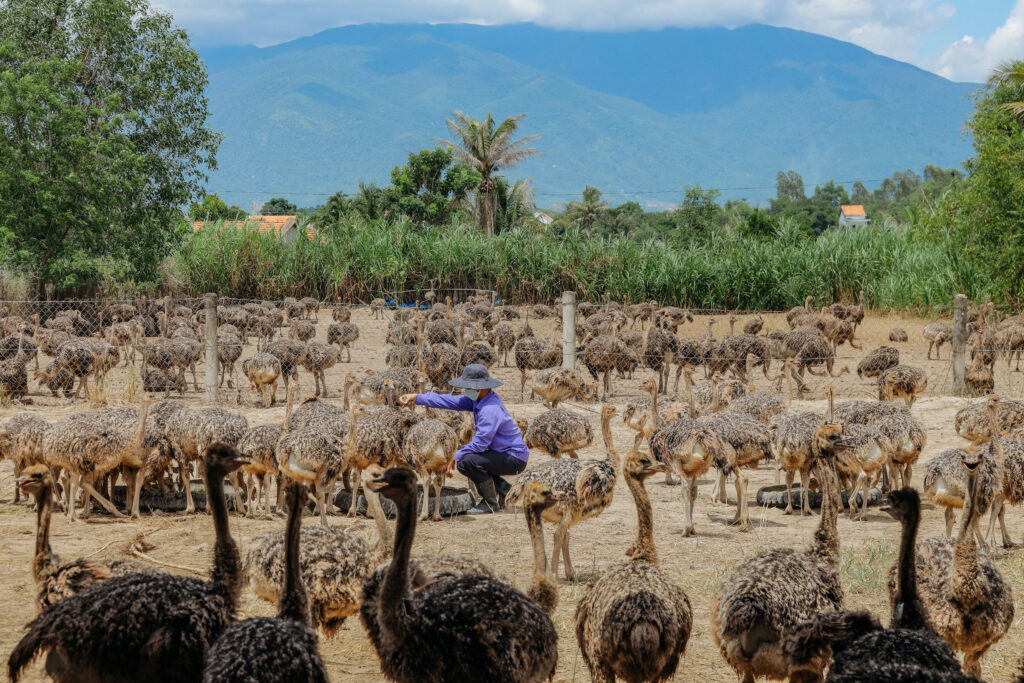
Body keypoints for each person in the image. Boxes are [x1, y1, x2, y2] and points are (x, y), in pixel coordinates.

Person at [399, 364, 528, 515]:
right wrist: (418, 397)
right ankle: (505, 490)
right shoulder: (482, 399)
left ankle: (489, 503)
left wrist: (455, 456)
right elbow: (450, 401)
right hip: (504, 454)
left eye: (468, 387)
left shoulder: (489, 410)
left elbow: (480, 443)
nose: (466, 390)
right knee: (475, 460)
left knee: (467, 461)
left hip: (513, 458)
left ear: (479, 388)